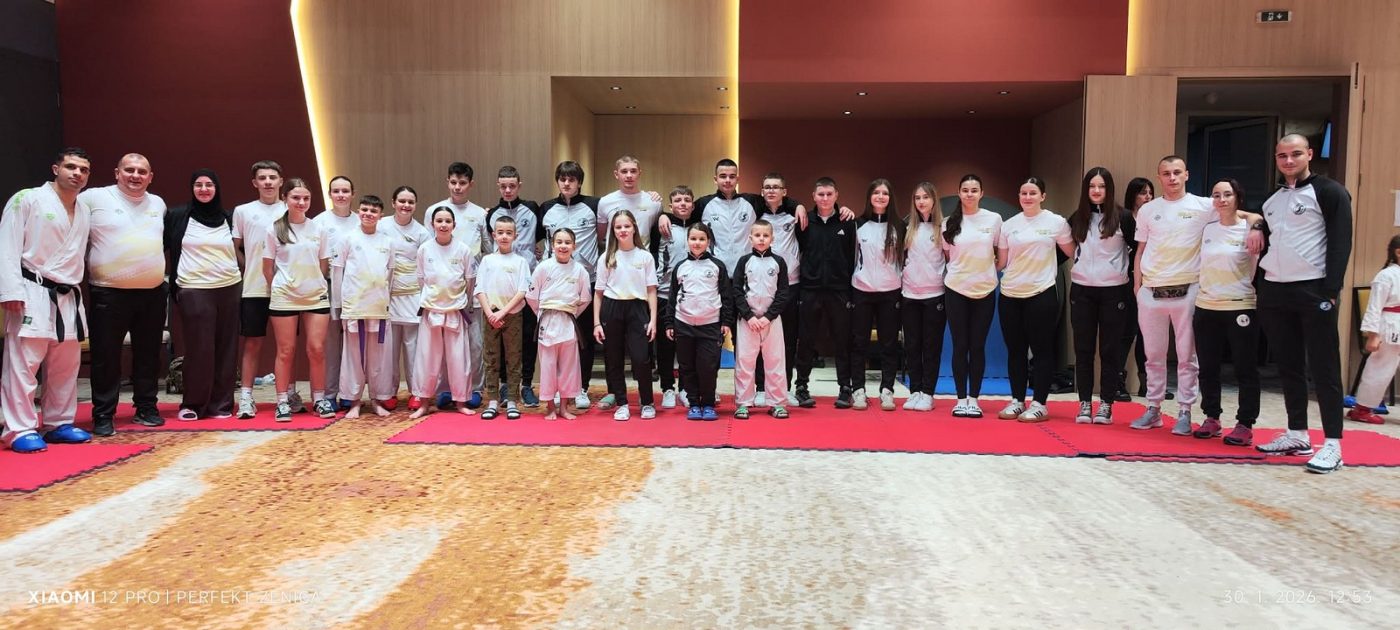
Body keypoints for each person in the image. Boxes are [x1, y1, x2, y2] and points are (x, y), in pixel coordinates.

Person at [1131, 156, 1262, 435]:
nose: (1172, 178)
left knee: (1187, 357)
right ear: (1159, 176)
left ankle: (1185, 411)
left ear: (1187, 175)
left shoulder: (1205, 205)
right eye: (1166, 173)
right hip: (1151, 290)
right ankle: (1153, 407)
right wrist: (1137, 286)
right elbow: (1140, 249)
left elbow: (1242, 214)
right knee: (1153, 355)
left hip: (1188, 289)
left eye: (1177, 172)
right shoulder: (1148, 210)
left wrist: (1257, 223)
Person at [1254, 134, 1354, 474]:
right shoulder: (1273, 198)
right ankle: (1297, 434)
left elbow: (1341, 242)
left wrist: (1331, 290)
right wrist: (1256, 225)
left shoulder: (1330, 192)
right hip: (1275, 290)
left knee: (1324, 368)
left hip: (1314, 289)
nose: (1288, 161)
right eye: (1282, 155)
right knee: (1288, 365)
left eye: (1295, 154)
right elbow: (1265, 228)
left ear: (1309, 154)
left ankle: (1333, 445)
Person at [0, 148, 94, 453]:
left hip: (68, 294)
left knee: (66, 364)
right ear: (56, 169)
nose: (77, 173)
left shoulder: (84, 209)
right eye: (71, 167)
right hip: (32, 290)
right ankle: (18, 428)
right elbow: (7, 244)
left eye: (83, 170)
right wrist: (10, 291)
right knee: (24, 363)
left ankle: (59, 423)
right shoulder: (27, 199)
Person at [79, 153, 168, 434]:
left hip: (152, 293)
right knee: (106, 356)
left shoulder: (158, 203)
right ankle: (103, 415)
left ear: (150, 177)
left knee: (148, 355)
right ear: (117, 173)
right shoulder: (93, 198)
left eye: (142, 171)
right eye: (129, 170)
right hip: (109, 292)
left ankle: (146, 408)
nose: (135, 176)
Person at [164, 169, 240, 421]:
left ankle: (221, 404)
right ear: (192, 188)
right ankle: (193, 404)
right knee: (199, 348)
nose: (204, 189)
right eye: (199, 184)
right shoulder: (178, 216)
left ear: (217, 188)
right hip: (193, 288)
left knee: (227, 348)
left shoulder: (229, 218)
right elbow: (160, 246)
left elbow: (241, 250)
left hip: (229, 287)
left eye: (209, 185)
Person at [996, 177, 1074, 422]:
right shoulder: (1009, 225)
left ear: (1043, 196)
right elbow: (1001, 262)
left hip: (1042, 293)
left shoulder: (1056, 222)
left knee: (1042, 350)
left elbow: (1073, 252)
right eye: (1023, 193)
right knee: (1015, 351)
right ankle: (1017, 400)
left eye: (1032, 193)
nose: (1027, 197)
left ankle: (1040, 403)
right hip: (1010, 294)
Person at [1192, 178, 1260, 445]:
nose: (1221, 200)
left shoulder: (1251, 228)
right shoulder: (1207, 228)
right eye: (1216, 195)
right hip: (1206, 304)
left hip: (1240, 304)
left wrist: (1255, 223)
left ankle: (1245, 423)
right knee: (1208, 367)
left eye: (1227, 194)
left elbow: (1257, 220)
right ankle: (1212, 417)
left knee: (1245, 367)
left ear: (1237, 198)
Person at [262, 178, 334, 421]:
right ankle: (283, 401)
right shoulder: (274, 229)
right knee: (286, 351)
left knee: (316, 349)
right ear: (285, 198)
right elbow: (267, 268)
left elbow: (323, 265)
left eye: (306, 198)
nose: (301, 202)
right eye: (296, 198)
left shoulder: (319, 229)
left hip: (315, 296)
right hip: (284, 297)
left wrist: (312, 283)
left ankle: (320, 399)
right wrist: (283, 288)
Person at [1068, 167, 1135, 424]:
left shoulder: (1123, 217)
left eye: (1102, 186)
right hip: (1082, 290)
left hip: (1114, 291)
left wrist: (1130, 279)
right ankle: (1084, 402)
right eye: (1092, 186)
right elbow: (1063, 249)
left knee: (1110, 350)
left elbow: (1139, 250)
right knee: (1083, 349)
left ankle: (1106, 403)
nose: (1096, 191)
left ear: (1109, 189)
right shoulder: (1077, 218)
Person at [423, 162, 491, 408]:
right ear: (447, 182)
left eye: (462, 183)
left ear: (471, 184)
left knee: (474, 343)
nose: (457, 187)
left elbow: (488, 249)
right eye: (453, 182)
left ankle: (474, 388)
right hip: (441, 292)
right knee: (442, 344)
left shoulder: (480, 214)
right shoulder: (434, 211)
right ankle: (445, 389)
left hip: (470, 289)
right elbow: (428, 250)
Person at [540, 161, 605, 410]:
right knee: (555, 341)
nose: (566, 183)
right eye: (562, 179)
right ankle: (558, 390)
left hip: (585, 280)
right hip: (554, 285)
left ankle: (581, 389)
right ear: (557, 181)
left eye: (572, 179)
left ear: (579, 182)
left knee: (583, 338)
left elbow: (607, 230)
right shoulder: (546, 208)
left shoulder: (594, 205)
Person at [794, 177, 856, 408]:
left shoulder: (847, 222)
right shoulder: (804, 221)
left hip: (839, 291)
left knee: (842, 340)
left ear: (836, 195)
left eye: (829, 194)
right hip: (809, 289)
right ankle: (801, 386)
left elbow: (852, 256)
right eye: (821, 194)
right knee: (806, 340)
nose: (825, 198)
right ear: (813, 196)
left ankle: (845, 388)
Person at [943, 174, 1001, 418]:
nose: (969, 194)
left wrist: (986, 271)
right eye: (965, 190)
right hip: (956, 289)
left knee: (977, 346)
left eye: (974, 190)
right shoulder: (948, 223)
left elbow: (1000, 252)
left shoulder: (994, 219)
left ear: (981, 193)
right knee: (960, 345)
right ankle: (960, 399)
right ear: (959, 193)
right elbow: (948, 257)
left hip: (985, 290)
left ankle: (974, 399)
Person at [409, 207, 476, 419]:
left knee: (459, 359)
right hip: (431, 310)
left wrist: (461, 302)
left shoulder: (463, 250)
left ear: (454, 225)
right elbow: (421, 279)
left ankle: (461, 402)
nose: (443, 224)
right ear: (432, 224)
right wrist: (432, 299)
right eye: (439, 221)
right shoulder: (424, 249)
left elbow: (469, 280)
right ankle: (423, 403)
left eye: (448, 221)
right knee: (427, 359)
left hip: (455, 310)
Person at [233, 160, 287, 418]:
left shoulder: (290, 208)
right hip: (254, 288)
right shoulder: (243, 211)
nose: (268, 182)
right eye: (262, 178)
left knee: (286, 346)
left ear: (280, 181)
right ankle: (246, 397)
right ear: (255, 182)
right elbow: (234, 246)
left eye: (272, 177)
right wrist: (249, 266)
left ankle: (287, 395)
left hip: (286, 290)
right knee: (252, 343)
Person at [334, 194, 395, 419]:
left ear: (381, 215)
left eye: (373, 211)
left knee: (378, 358)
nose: (368, 214)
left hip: (378, 306)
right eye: (365, 210)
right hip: (354, 306)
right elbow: (338, 273)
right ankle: (354, 401)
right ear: (359, 211)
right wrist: (338, 307)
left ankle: (377, 400)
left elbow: (390, 274)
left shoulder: (387, 241)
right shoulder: (347, 238)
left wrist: (385, 300)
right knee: (354, 357)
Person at [594, 210, 658, 420]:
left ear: (634, 228)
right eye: (618, 227)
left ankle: (647, 402)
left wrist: (653, 320)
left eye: (626, 226)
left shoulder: (645, 256)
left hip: (637, 309)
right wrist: (596, 323)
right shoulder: (607, 257)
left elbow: (651, 290)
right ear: (613, 231)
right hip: (612, 308)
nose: (622, 230)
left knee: (641, 358)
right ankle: (621, 403)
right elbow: (598, 293)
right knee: (614, 358)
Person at [665, 222, 732, 421]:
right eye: (693, 239)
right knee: (687, 367)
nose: (697, 242)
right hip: (683, 323)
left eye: (702, 239)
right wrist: (669, 323)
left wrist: (726, 321)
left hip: (710, 324)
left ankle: (708, 403)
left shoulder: (717, 266)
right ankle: (694, 403)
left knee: (708, 367)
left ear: (708, 242)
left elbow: (726, 296)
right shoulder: (680, 267)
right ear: (687, 241)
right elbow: (672, 297)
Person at [487, 166, 541, 406]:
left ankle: (526, 385)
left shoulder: (533, 209)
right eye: (503, 186)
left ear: (519, 185)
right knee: (500, 339)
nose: (508, 190)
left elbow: (543, 235)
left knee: (528, 337)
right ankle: (505, 386)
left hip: (528, 285)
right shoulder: (491, 214)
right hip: (501, 287)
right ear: (498, 186)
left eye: (512, 185)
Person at [850, 179, 905, 411]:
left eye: (885, 193)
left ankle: (887, 390)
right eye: (876, 192)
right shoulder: (857, 224)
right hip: (861, 289)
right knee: (858, 343)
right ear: (869, 197)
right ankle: (858, 390)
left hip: (890, 291)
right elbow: (852, 257)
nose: (880, 197)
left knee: (888, 344)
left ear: (890, 198)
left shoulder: (899, 226)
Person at [527, 228, 593, 420]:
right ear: (552, 245)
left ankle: (564, 407)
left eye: (567, 243)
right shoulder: (543, 267)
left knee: (568, 367)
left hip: (568, 320)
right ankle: (550, 407)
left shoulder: (580, 270)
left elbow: (585, 299)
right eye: (559, 242)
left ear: (574, 246)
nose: (563, 246)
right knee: (548, 366)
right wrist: (543, 314)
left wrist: (569, 313)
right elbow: (532, 297)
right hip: (547, 319)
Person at [732, 220, 790, 419]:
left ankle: (777, 403)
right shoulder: (744, 262)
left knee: (775, 361)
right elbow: (736, 291)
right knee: (744, 361)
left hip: (771, 321)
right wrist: (749, 316)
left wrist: (768, 317)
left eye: (766, 235)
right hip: (747, 321)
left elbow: (783, 293)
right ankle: (743, 403)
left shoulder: (779, 262)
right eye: (757, 235)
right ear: (750, 238)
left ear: (772, 238)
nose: (762, 239)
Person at [476, 215, 531, 420]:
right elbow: (479, 289)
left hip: (512, 315)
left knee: (513, 358)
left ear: (515, 235)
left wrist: (503, 312)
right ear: (493, 235)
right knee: (491, 357)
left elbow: (522, 291)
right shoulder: (487, 260)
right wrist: (490, 313)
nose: (504, 236)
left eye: (509, 233)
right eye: (500, 233)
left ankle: (512, 400)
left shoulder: (521, 261)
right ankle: (492, 400)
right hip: (490, 314)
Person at [382, 186, 432, 409]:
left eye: (410, 202)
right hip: (386, 294)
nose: (406, 205)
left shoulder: (422, 232)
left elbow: (426, 267)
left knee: (413, 347)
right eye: (402, 201)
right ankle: (387, 391)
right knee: (389, 348)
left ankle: (417, 392)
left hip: (412, 294)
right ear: (393, 202)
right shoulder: (381, 226)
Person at [651, 186, 700, 409]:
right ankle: (667, 388)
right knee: (665, 346)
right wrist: (662, 215)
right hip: (664, 294)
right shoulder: (662, 227)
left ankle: (685, 388)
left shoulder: (699, 229)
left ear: (693, 205)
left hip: (691, 296)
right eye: (678, 200)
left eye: (687, 200)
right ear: (671, 206)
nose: (683, 203)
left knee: (687, 347)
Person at [314, 175, 360, 409]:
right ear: (330, 194)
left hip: (357, 290)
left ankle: (350, 393)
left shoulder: (361, 220)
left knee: (353, 343)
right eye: (336, 191)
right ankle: (329, 394)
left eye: (345, 191)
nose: (341, 195)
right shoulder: (319, 222)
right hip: (329, 285)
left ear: (353, 194)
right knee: (331, 344)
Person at [901, 181, 947, 412]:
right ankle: (915, 391)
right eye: (917, 198)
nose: (921, 201)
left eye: (925, 197)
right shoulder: (907, 228)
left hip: (934, 295)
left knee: (931, 347)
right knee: (912, 346)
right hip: (909, 294)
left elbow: (951, 259)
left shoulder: (944, 228)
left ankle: (928, 393)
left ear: (934, 200)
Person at [1347, 234, 1400, 426]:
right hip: (1389, 325)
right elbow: (1374, 307)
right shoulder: (1386, 275)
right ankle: (1362, 409)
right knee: (1381, 367)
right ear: (1398, 252)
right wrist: (1372, 334)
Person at [1117, 177, 1155, 401]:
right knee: (1126, 331)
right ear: (1133, 195)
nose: (1147, 197)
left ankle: (1147, 383)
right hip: (1127, 278)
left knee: (1146, 333)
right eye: (1142, 193)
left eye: (1150, 193)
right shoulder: (1124, 217)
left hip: (1152, 278)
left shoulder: (1156, 218)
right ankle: (1118, 381)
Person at [597, 156, 663, 249]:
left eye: (633, 171)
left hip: (643, 256)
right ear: (616, 174)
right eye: (624, 171)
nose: (629, 175)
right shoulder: (605, 202)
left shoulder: (653, 202)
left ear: (639, 173)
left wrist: (665, 216)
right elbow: (600, 236)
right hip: (613, 256)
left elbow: (662, 227)